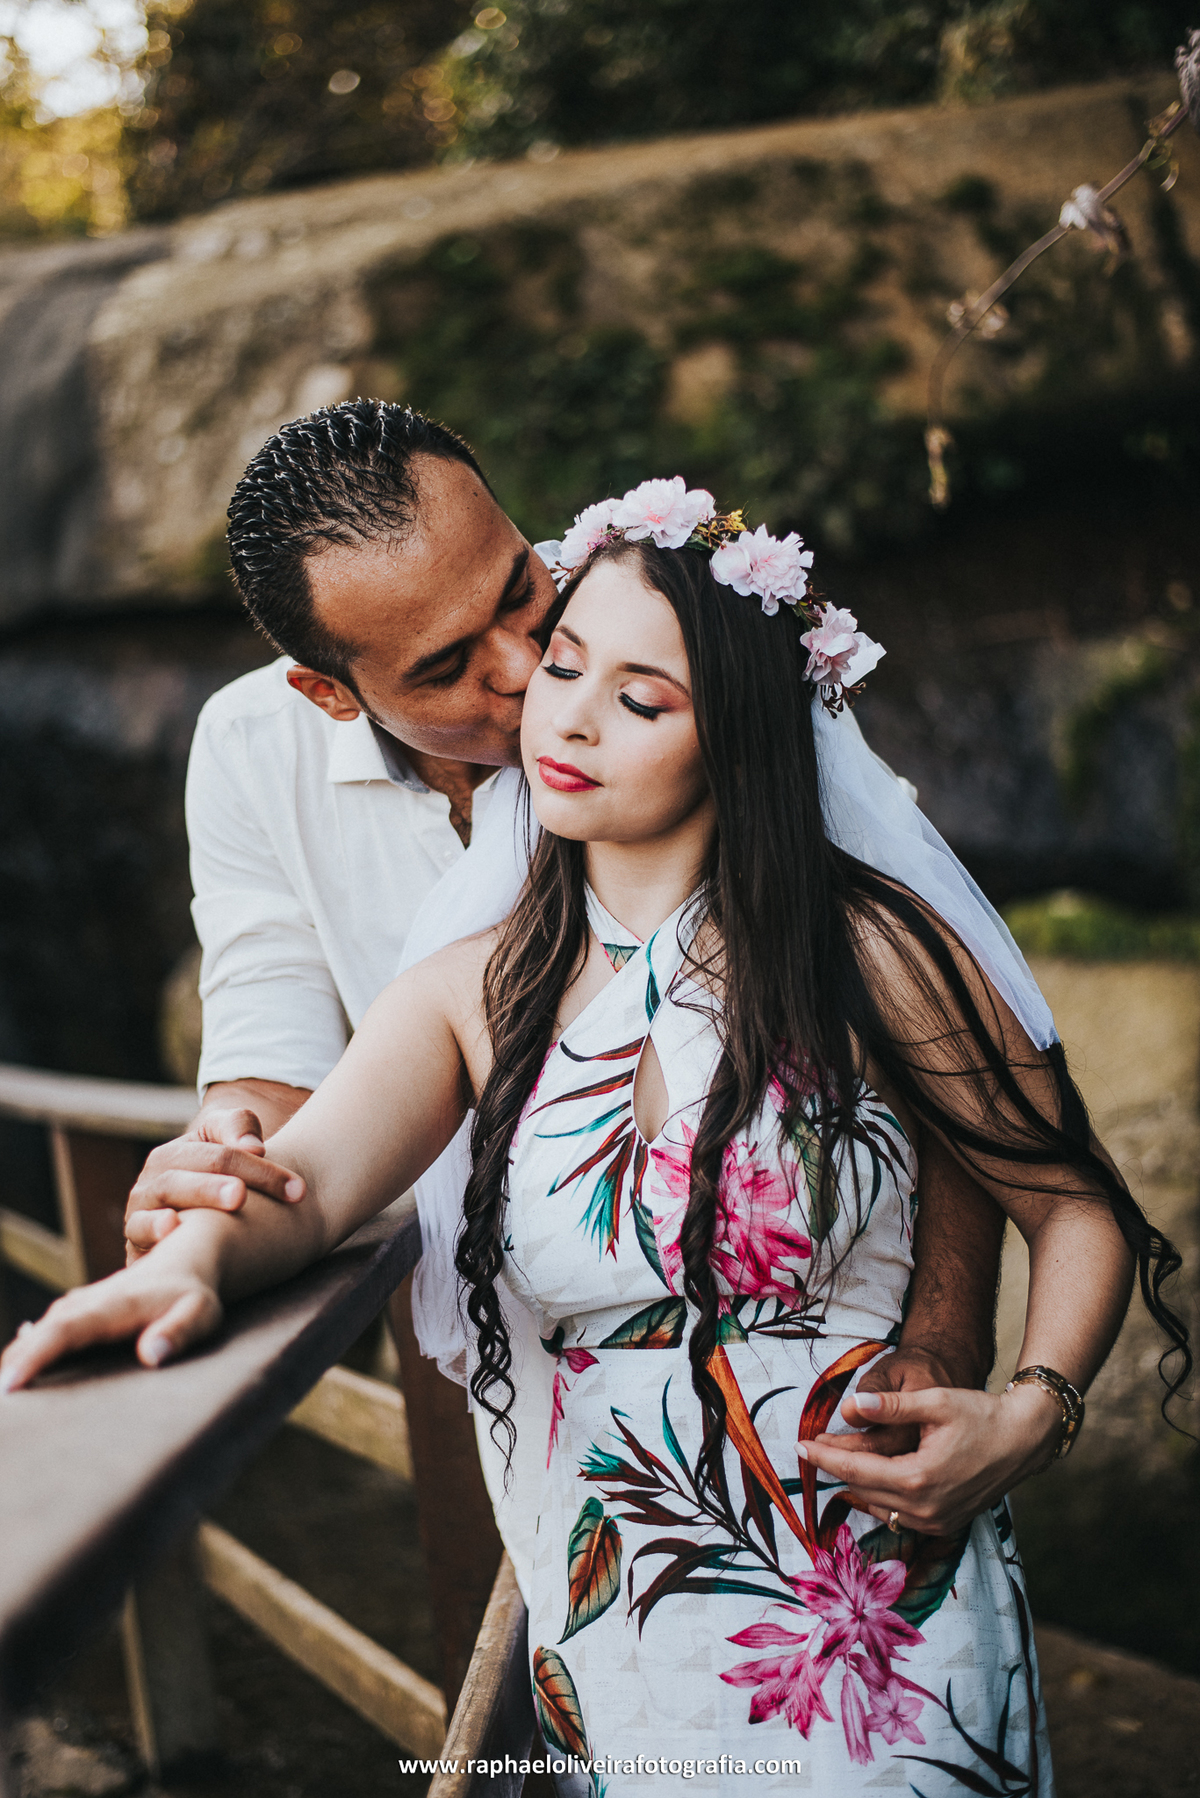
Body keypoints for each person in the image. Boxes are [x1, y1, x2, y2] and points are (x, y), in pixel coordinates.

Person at [4, 487, 1188, 1793]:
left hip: (876, 1602)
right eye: (565, 662)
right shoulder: (471, 989)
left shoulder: (873, 951)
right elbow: (313, 1177)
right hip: (621, 1608)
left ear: (734, 736)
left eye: (642, 697)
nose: (563, 714)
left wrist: (1036, 1409)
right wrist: (190, 1265)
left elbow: (1070, 1198)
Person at [119, 401, 1008, 1548]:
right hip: (550, 1401)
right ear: (330, 692)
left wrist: (947, 1343)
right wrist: (209, 1200)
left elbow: (950, 1032)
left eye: (515, 593)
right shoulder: (249, 751)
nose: (528, 667)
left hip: (840, 1386)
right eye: (446, 666)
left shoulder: (671, 637)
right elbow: (275, 1074)